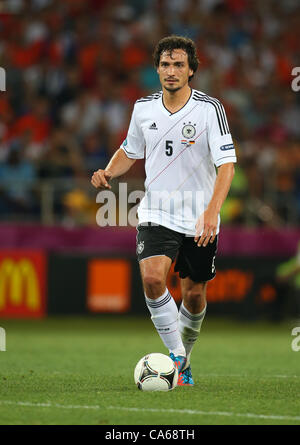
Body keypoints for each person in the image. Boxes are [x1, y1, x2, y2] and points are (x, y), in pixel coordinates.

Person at [91, 35, 236, 386]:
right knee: (153, 278)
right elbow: (130, 149)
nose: (171, 71)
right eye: (165, 64)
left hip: (199, 216)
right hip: (156, 212)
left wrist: (211, 212)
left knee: (194, 294)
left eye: (179, 65)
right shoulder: (144, 108)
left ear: (191, 70)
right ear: (157, 69)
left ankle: (182, 357)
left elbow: (227, 165)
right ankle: (178, 362)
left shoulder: (209, 109)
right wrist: (109, 170)